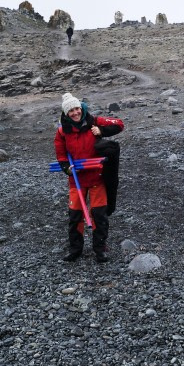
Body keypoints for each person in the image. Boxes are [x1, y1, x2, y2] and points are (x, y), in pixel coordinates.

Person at [54, 92, 124, 263]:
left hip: (97, 178)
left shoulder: (94, 121)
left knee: (99, 214)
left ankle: (100, 249)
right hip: (76, 180)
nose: (75, 113)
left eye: (77, 108)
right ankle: (75, 250)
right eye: (71, 111)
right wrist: (66, 168)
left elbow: (119, 124)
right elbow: (61, 155)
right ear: (66, 113)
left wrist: (102, 130)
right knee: (75, 216)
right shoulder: (63, 131)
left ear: (81, 108)